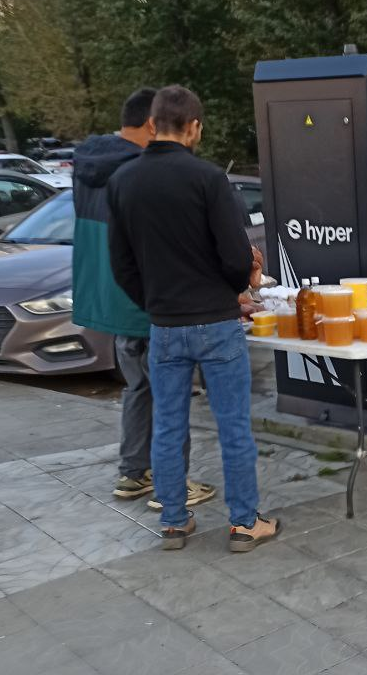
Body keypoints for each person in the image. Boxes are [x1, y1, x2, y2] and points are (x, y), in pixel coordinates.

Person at [107, 84, 279, 553]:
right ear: (195, 127)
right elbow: (235, 257)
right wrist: (234, 290)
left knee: (168, 425)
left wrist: (155, 302)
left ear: (152, 124)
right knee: (233, 426)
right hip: (217, 323)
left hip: (164, 324)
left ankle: (174, 521)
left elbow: (121, 265)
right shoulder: (208, 179)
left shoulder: (122, 181)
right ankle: (244, 523)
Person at [72, 87, 215, 509]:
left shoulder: (87, 166)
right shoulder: (139, 172)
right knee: (171, 394)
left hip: (112, 300)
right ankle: (174, 486)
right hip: (151, 300)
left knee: (140, 388)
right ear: (152, 124)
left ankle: (134, 474)